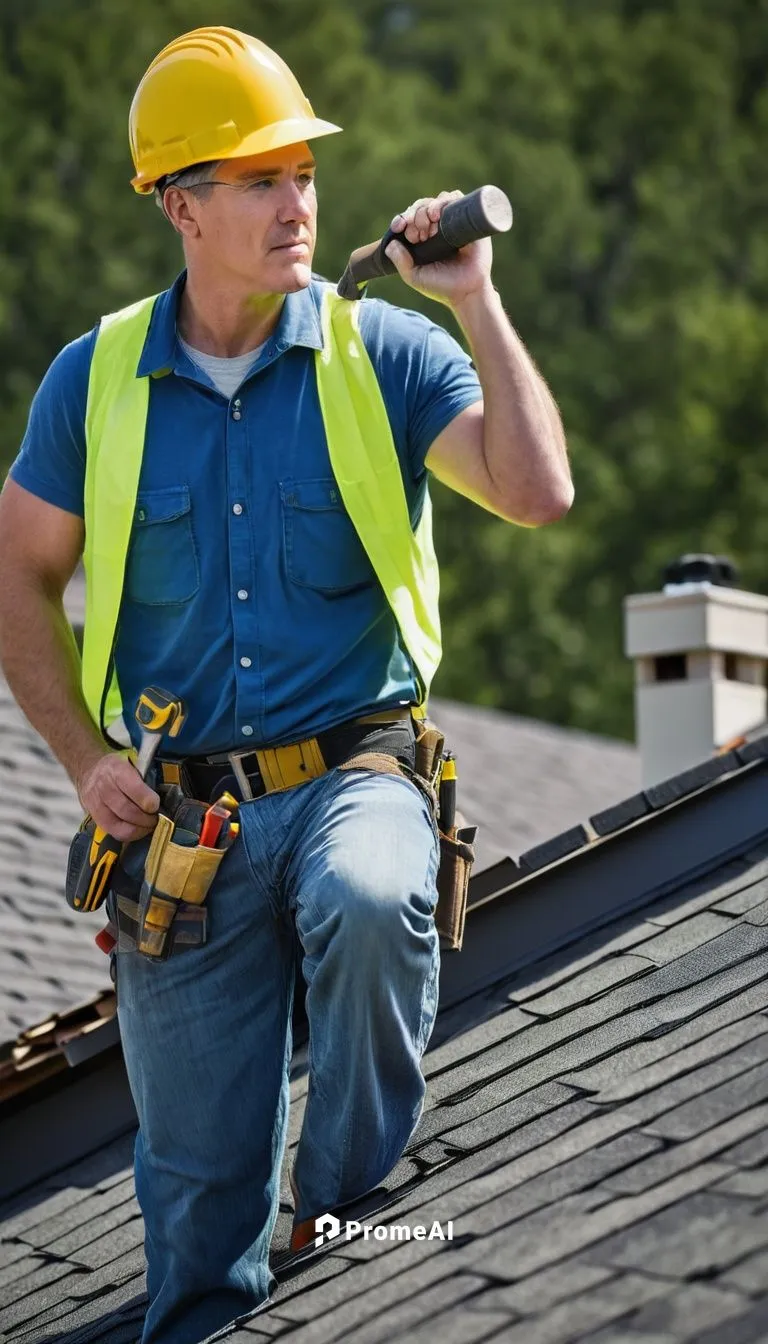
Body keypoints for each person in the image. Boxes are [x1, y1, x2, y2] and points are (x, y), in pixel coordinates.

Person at [0, 25, 572, 1344]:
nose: (298, 202)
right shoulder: (94, 384)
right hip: (182, 833)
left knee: (374, 895)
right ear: (180, 206)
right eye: (260, 178)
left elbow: (542, 496)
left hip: (357, 775)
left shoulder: (384, 353)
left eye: (304, 174)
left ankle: (344, 1195)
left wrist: (473, 300)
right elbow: (16, 580)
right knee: (199, 1243)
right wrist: (84, 759)